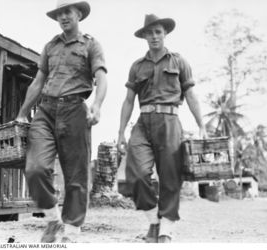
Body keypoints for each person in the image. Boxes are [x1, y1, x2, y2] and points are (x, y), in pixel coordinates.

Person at [15, 0, 107, 243]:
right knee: (35, 168)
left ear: (79, 14)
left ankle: (72, 232)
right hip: (45, 110)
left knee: (76, 175)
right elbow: (38, 81)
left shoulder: (91, 44)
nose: (63, 16)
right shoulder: (50, 46)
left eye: (68, 12)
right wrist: (22, 113)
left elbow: (101, 77)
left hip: (75, 109)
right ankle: (52, 218)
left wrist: (97, 106)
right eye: (59, 13)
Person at [117, 14, 207, 243]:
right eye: (150, 32)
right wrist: (120, 133)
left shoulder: (179, 62)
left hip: (170, 122)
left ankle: (165, 229)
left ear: (165, 33)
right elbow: (128, 101)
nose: (154, 36)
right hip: (143, 123)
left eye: (158, 32)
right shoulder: (137, 66)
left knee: (170, 178)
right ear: (144, 36)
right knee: (134, 175)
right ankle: (154, 221)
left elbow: (190, 95)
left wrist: (201, 125)